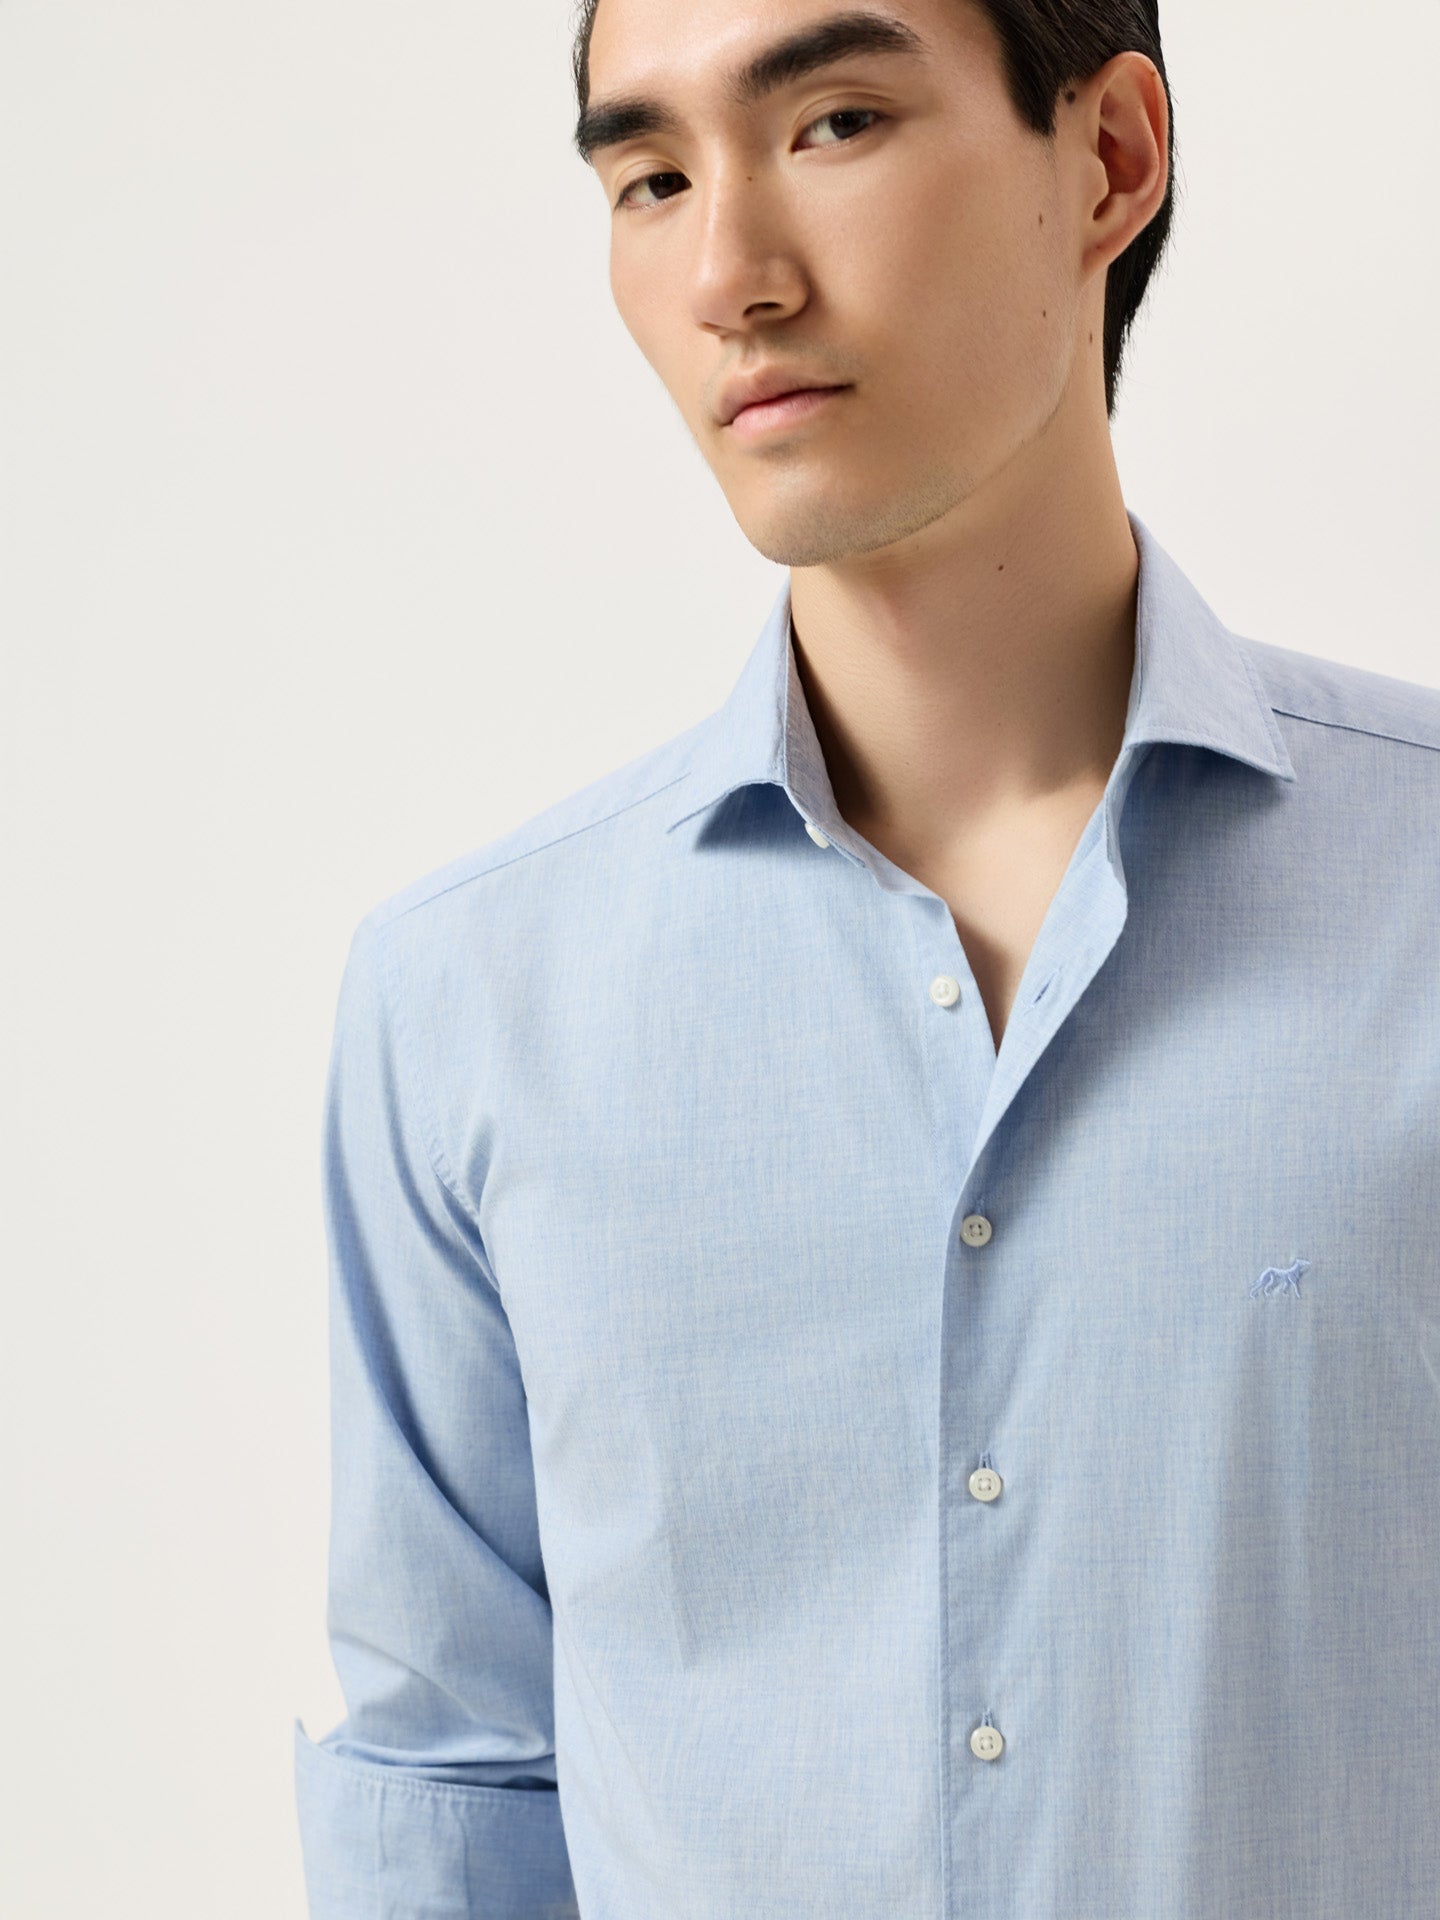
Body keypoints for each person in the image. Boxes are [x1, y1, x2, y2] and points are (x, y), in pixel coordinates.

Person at [293, 2, 1440, 1915]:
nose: (729, 276)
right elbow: (457, 1786)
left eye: (833, 123)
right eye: (651, 178)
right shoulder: (467, 1007)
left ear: (1111, 159)